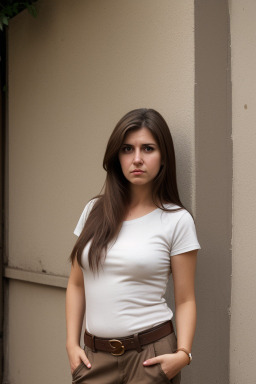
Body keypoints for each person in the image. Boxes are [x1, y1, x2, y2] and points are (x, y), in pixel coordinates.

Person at [66, 108, 201, 384]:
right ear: (117, 156)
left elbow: (186, 298)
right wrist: (71, 343)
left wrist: (183, 353)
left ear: (163, 157)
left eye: (148, 148)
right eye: (128, 149)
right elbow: (76, 284)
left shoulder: (177, 220)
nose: (137, 159)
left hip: (151, 358)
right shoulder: (94, 210)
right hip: (94, 359)